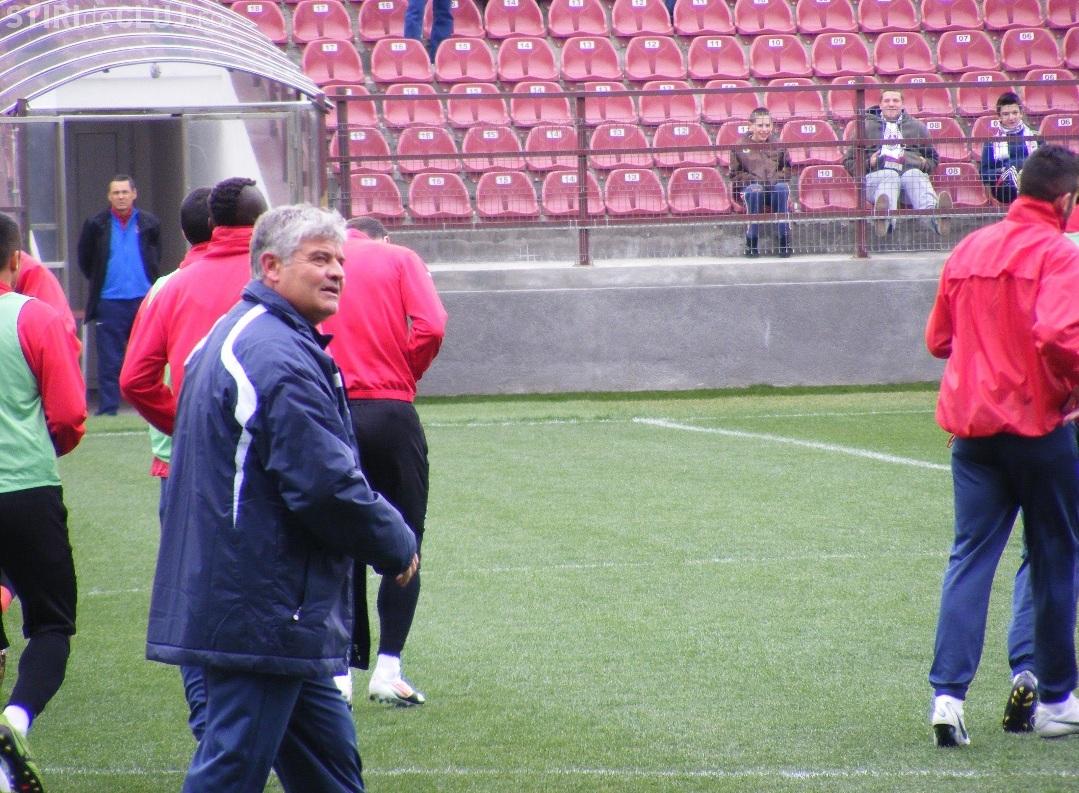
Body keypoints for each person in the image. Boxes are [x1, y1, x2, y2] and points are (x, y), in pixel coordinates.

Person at [145, 204, 418, 793]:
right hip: (260, 608)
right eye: (319, 258)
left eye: (339, 259)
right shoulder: (274, 353)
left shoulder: (251, 336)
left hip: (268, 607)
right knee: (231, 771)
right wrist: (395, 541)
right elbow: (324, 484)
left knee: (330, 774)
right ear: (271, 266)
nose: (337, 271)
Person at [925, 144, 1079, 747]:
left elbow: (939, 340)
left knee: (970, 559)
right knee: (1053, 556)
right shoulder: (1058, 253)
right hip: (1037, 428)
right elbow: (1059, 334)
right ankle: (1054, 697)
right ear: (1065, 200)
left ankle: (947, 698)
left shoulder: (969, 248)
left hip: (973, 433)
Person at [120, 178, 268, 742]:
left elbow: (136, 379)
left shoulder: (171, 286)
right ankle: (269, 715)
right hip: (271, 462)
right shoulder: (278, 277)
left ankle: (208, 720)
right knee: (274, 588)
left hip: (190, 468)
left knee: (194, 590)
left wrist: (186, 428)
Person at [322, 216, 447, 707]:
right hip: (391, 413)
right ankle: (388, 669)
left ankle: (338, 675)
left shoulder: (319, 260)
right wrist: (403, 374)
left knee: (336, 541)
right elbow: (432, 325)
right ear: (384, 237)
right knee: (404, 541)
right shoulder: (400, 259)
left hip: (330, 411)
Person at [0, 213, 87, 792]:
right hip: (25, 488)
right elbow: (70, 413)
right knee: (51, 625)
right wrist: (44, 447)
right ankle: (15, 719)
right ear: (16, 260)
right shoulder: (34, 316)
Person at [131, 186, 213, 480]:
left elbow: (137, 377)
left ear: (183, 232)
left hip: (174, 446)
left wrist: (179, 420)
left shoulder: (163, 288)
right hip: (227, 442)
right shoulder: (254, 284)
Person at [76, 175, 161, 415]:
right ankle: (108, 408)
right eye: (116, 193)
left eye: (125, 192)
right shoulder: (96, 224)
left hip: (143, 300)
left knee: (147, 356)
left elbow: (156, 256)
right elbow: (85, 259)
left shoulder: (149, 223)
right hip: (109, 302)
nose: (121, 197)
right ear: (109, 196)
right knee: (109, 359)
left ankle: (150, 407)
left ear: (134, 194)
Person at [844, 89, 951, 238]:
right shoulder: (864, 127)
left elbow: (933, 159)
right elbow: (848, 161)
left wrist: (924, 164)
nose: (891, 104)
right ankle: (885, 221)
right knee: (890, 175)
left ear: (902, 104)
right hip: (876, 183)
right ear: (880, 104)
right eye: (887, 101)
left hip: (908, 185)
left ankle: (936, 219)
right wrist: (869, 163)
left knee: (914, 174)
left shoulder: (917, 126)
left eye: (895, 101)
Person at [729, 107, 792, 258]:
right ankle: (751, 241)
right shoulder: (739, 146)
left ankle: (784, 240)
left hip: (772, 188)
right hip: (751, 190)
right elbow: (735, 174)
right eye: (760, 125)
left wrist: (774, 179)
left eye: (767, 125)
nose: (764, 129)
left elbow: (787, 169)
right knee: (755, 189)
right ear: (750, 126)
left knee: (782, 188)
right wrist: (753, 180)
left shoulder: (779, 145)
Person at [980, 92, 1039, 206]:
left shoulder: (1036, 137)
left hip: (1033, 185)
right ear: (999, 117)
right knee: (1013, 167)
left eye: (1015, 113)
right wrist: (1002, 171)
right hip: (1005, 190)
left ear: (1021, 114)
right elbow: (984, 173)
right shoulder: (991, 143)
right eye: (1006, 114)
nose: (1011, 118)